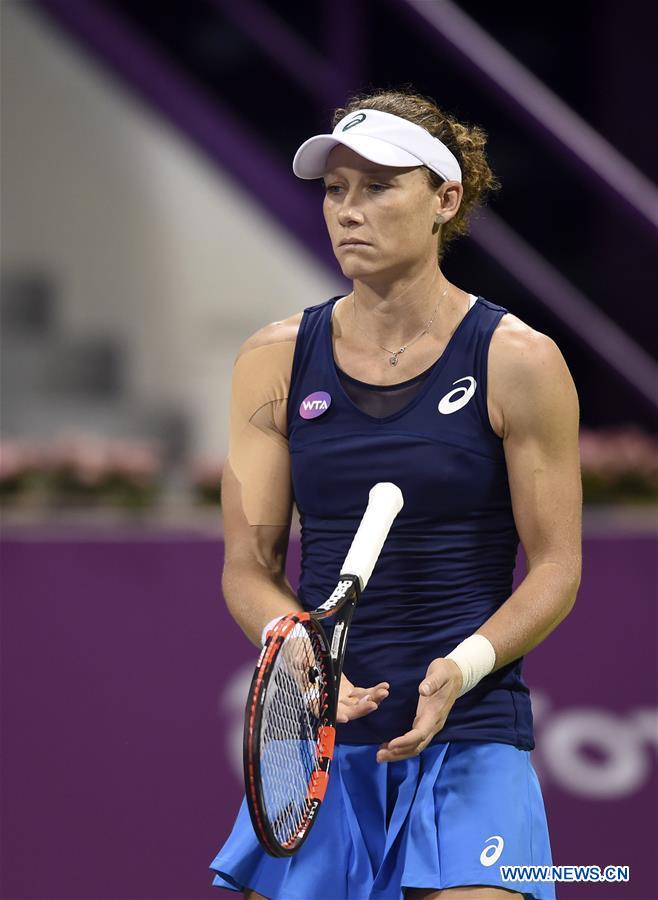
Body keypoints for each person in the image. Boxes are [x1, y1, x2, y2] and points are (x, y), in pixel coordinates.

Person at [209, 88, 582, 900]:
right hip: (317, 745)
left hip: (471, 733)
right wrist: (301, 660)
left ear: (445, 200)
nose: (348, 210)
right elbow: (248, 566)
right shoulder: (271, 361)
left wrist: (463, 667)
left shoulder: (520, 360)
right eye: (335, 189)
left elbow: (556, 567)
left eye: (378, 187)